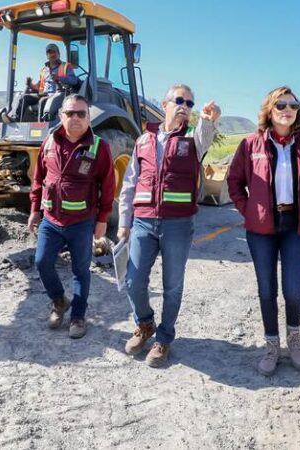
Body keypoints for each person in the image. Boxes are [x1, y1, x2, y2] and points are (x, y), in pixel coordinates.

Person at [227, 86, 300, 376]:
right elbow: (234, 183)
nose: (287, 109)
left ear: (297, 111)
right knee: (266, 289)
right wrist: (249, 210)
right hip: (261, 228)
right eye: (281, 105)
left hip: (296, 226)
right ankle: (272, 344)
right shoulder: (250, 145)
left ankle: (294, 337)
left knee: (294, 290)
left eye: (293, 105)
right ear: (269, 111)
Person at [117, 84, 221, 367]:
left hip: (177, 224)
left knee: (172, 286)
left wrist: (209, 120)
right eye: (179, 100)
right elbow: (129, 183)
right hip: (143, 222)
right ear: (163, 104)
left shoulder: (192, 139)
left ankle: (163, 339)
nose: (184, 106)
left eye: (189, 103)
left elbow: (205, 136)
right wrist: (124, 222)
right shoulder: (143, 140)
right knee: (133, 280)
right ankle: (145, 323)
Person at [28, 94, 115, 339]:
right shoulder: (48, 143)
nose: (75, 118)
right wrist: (35, 210)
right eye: (70, 113)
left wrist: (102, 220)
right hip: (51, 220)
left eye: (81, 113)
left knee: (81, 270)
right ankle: (59, 300)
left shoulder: (100, 147)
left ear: (88, 117)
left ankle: (78, 315)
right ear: (60, 116)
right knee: (42, 261)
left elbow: (107, 186)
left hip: (82, 221)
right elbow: (38, 179)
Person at [14, 43, 79, 121]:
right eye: (49, 52)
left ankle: (40, 127)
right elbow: (41, 88)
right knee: (24, 98)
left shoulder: (65, 66)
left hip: (59, 95)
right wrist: (31, 85)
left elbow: (74, 81)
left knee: (43, 101)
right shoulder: (44, 70)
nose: (52, 54)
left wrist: (59, 78)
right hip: (44, 94)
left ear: (59, 54)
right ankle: (15, 120)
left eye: (54, 52)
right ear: (47, 55)